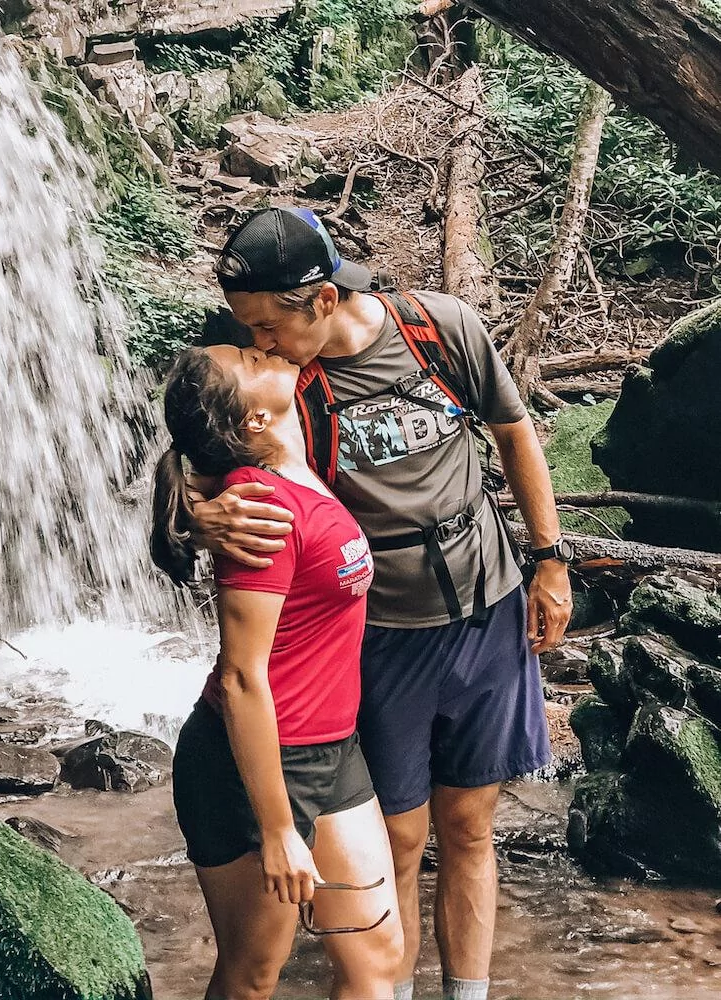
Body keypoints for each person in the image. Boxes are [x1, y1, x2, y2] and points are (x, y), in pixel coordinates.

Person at [189, 207, 573, 1000]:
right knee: (400, 838)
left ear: (322, 301)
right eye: (246, 327)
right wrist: (195, 506)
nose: (257, 340)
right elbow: (197, 432)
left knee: (470, 826)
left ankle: (469, 991)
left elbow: (514, 430)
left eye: (267, 324)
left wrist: (549, 558)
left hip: (488, 604)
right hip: (382, 634)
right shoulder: (280, 384)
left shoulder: (440, 327)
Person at [150, 344, 403, 1000]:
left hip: (333, 750)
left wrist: (191, 514)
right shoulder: (257, 510)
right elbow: (240, 677)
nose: (259, 346)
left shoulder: (290, 456)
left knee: (377, 960)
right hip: (249, 769)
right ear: (254, 423)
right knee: (254, 974)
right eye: (244, 355)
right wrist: (277, 829)